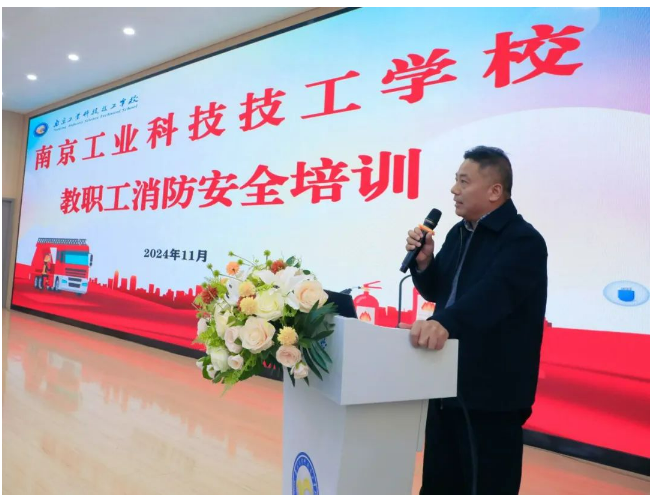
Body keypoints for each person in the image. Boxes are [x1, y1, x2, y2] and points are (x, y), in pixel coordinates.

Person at [401, 146, 548, 495]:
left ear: (495, 191)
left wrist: (445, 323)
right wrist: (425, 263)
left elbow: (494, 296)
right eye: (456, 180)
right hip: (444, 385)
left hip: (492, 397)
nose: (454, 190)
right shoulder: (459, 233)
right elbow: (440, 291)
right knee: (438, 485)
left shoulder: (523, 241)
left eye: (464, 182)